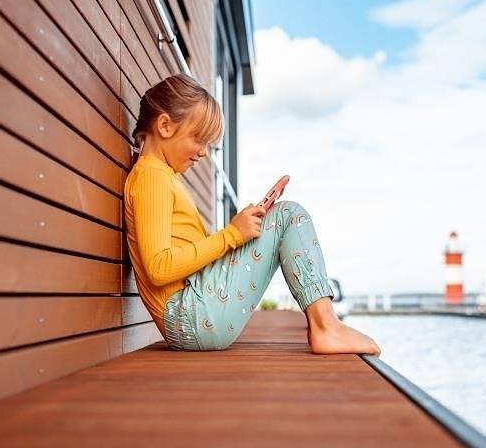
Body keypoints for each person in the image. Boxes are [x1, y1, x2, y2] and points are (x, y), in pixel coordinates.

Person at [123, 74, 381, 356]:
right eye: (198, 139)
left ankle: (326, 325)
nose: (202, 153)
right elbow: (159, 268)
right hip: (190, 316)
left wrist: (240, 233)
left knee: (279, 218)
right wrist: (232, 235)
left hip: (193, 314)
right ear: (164, 125)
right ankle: (325, 326)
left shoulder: (161, 177)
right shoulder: (151, 177)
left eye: (208, 145)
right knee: (289, 216)